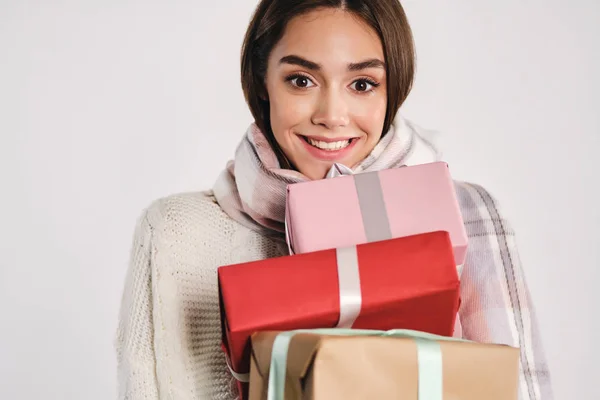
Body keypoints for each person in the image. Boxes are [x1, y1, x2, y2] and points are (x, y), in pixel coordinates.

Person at [115, 0, 553, 399]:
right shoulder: (175, 232)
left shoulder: (467, 213)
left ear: (392, 89)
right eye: (301, 80)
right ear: (263, 82)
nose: (331, 115)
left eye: (362, 84)